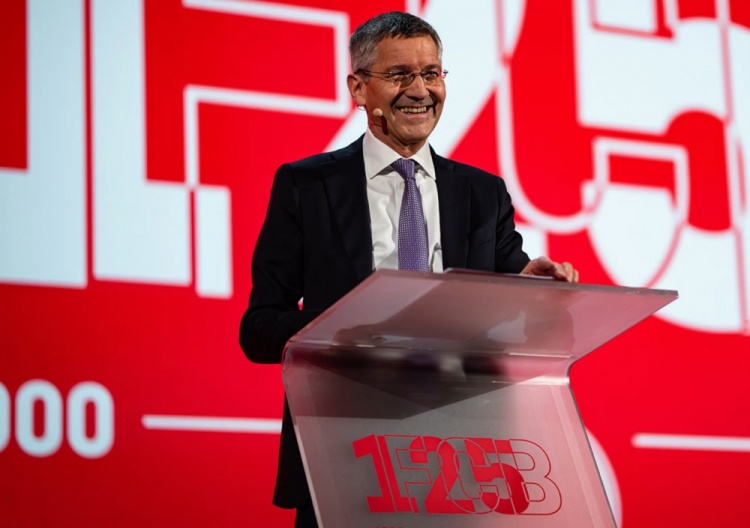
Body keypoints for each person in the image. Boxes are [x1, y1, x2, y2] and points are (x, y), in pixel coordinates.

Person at [239, 11, 578, 527]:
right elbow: (259, 329)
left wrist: (541, 294)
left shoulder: (482, 193)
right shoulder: (307, 187)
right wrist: (344, 330)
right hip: (344, 448)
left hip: (461, 460)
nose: (420, 90)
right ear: (359, 88)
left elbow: (520, 304)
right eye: (400, 74)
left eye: (432, 73)